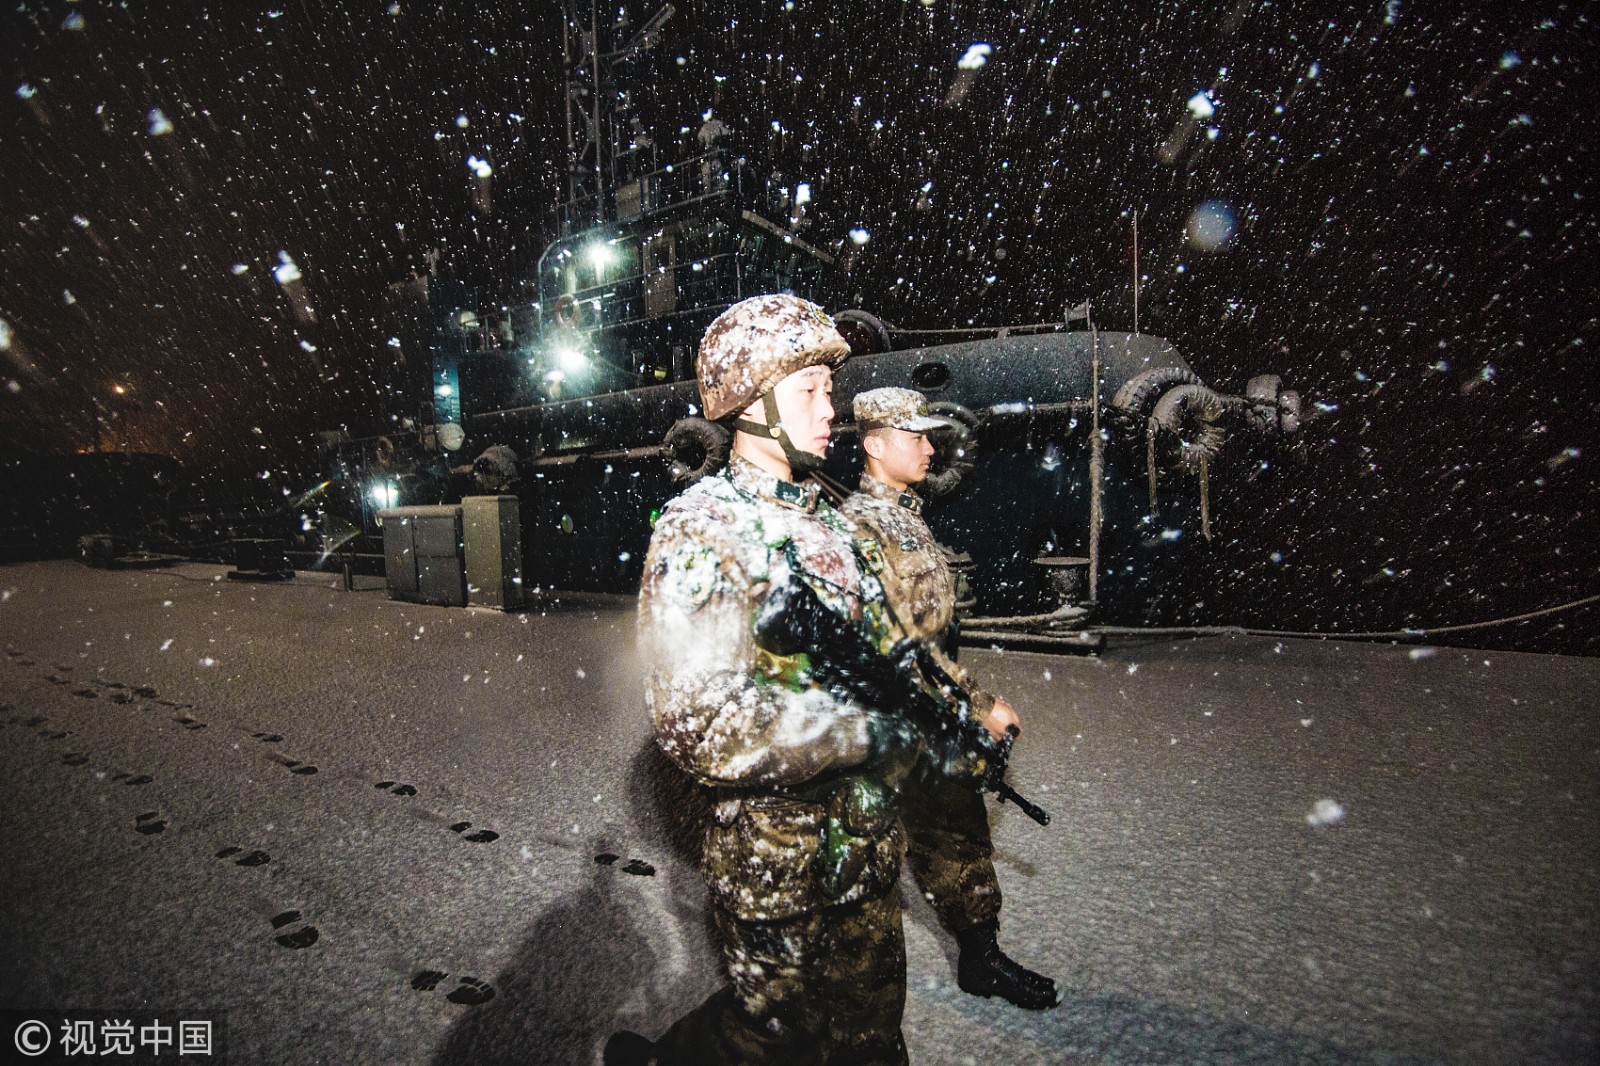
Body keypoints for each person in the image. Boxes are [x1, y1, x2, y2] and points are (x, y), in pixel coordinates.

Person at [613, 295, 989, 1065]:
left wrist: (961, 709)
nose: (831, 410)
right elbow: (695, 717)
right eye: (810, 390)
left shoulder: (836, 523)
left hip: (865, 852)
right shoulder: (702, 528)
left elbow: (895, 648)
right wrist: (855, 733)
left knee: (871, 1039)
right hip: (778, 864)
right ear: (749, 401)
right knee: (769, 1036)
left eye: (830, 389)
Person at [839, 386, 1058, 1011]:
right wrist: (978, 703)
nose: (930, 449)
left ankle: (980, 959)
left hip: (928, 706)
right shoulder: (861, 527)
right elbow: (896, 643)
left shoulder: (904, 515)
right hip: (886, 717)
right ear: (874, 445)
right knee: (860, 859)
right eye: (914, 437)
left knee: (957, 829)